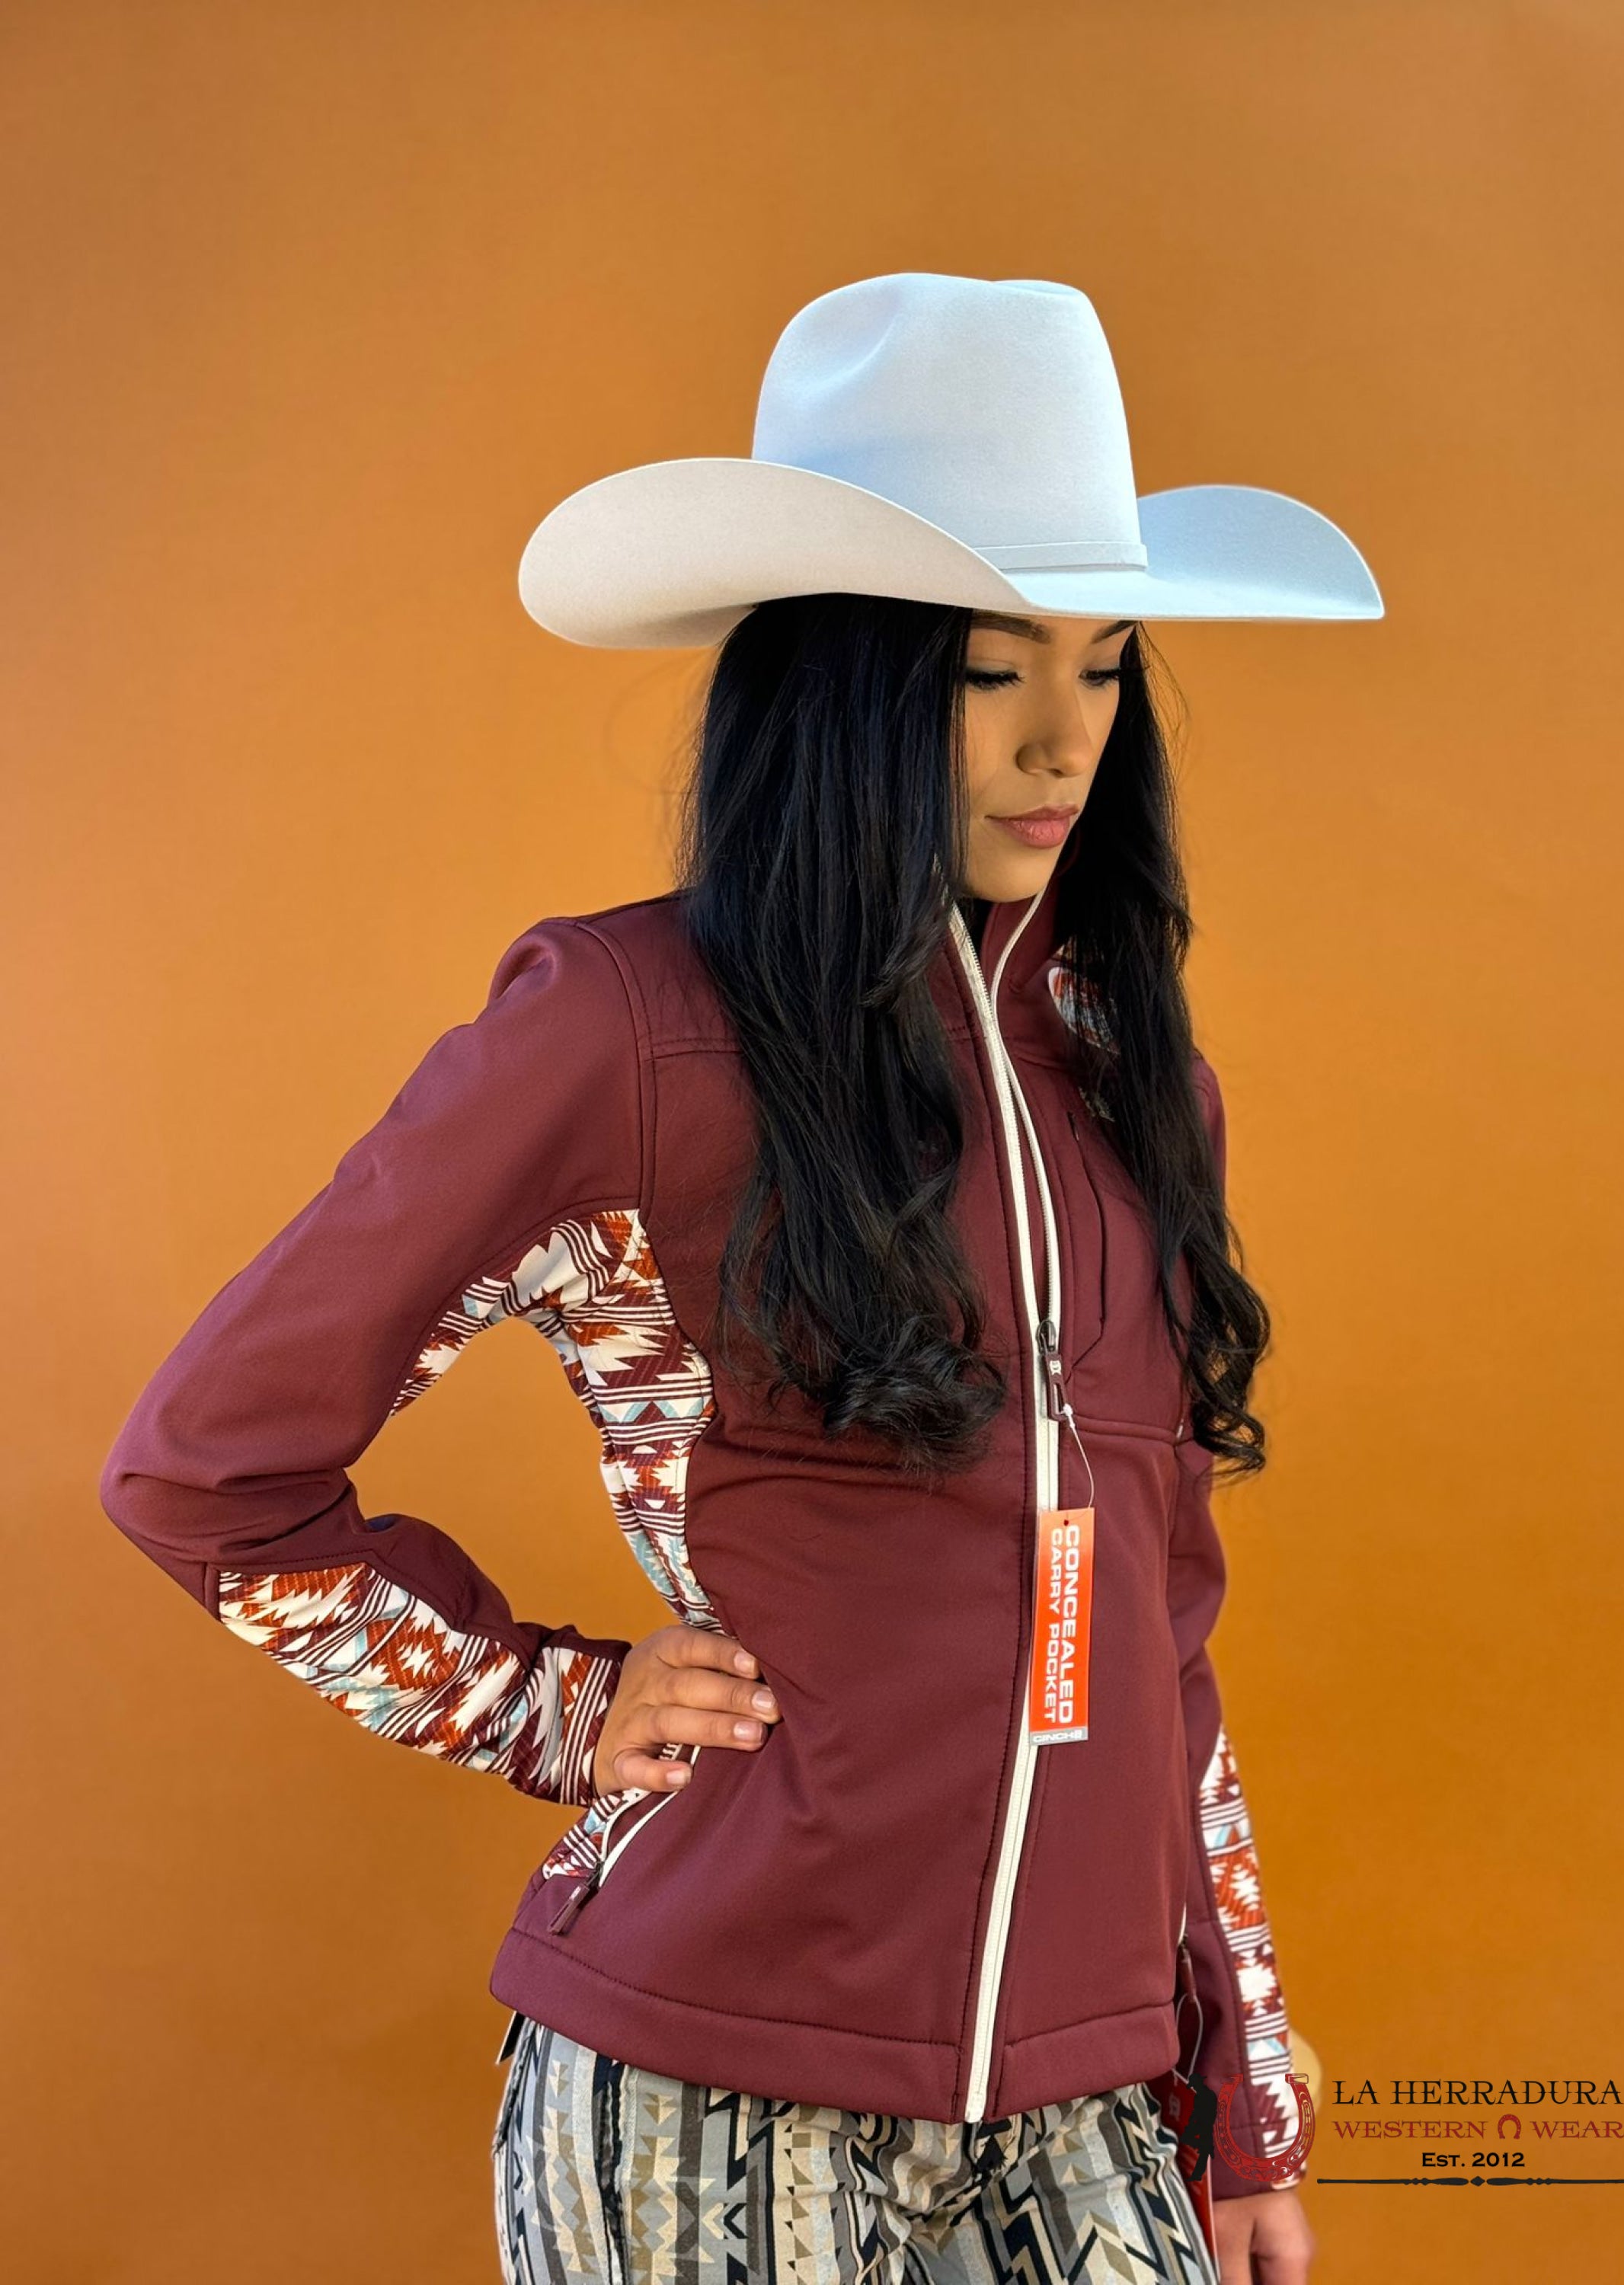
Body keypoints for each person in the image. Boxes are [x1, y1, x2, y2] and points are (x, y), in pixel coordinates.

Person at [100, 273, 1382, 2283]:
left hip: (1086, 2082)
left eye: (1105, 666)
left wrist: (1239, 2102)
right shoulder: (628, 1031)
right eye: (986, 674)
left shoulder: (1140, 1085)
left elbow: (1159, 1636)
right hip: (703, 2088)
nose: (1062, 741)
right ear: (838, 691)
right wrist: (545, 1706)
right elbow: (207, 1472)